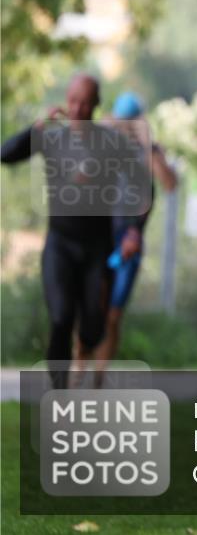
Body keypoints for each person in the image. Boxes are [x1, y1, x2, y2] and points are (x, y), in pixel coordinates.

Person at [0, 75, 151, 389]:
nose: (78, 108)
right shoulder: (52, 137)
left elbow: (142, 186)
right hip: (60, 246)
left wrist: (134, 231)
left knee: (93, 329)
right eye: (73, 101)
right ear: (66, 101)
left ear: (97, 104)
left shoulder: (111, 143)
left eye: (85, 102)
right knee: (60, 318)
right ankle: (59, 397)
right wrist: (36, 128)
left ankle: (85, 350)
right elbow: (6, 154)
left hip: (98, 249)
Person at [84, 91, 177, 385]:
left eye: (131, 122)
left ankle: (98, 377)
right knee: (92, 308)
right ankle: (77, 368)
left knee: (113, 314)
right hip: (100, 235)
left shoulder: (148, 148)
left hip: (130, 238)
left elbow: (170, 183)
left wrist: (148, 146)